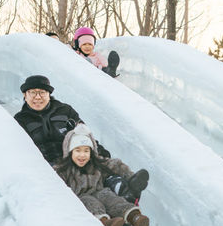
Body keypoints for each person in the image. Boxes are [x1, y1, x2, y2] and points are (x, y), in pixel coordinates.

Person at [14, 75, 148, 203]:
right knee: (73, 179)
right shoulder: (20, 120)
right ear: (25, 96)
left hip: (75, 154)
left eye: (42, 92)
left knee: (100, 165)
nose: (38, 97)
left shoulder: (64, 111)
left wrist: (98, 149)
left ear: (49, 94)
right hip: (51, 165)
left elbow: (83, 131)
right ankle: (91, 204)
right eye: (32, 93)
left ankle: (124, 189)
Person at [55, 124, 150, 226]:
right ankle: (105, 223)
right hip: (81, 196)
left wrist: (129, 176)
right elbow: (54, 181)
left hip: (100, 191)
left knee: (112, 198)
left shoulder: (96, 164)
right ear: (70, 151)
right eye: (77, 151)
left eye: (86, 151)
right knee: (92, 204)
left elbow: (114, 165)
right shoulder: (64, 169)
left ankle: (135, 217)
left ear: (91, 152)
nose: (82, 155)